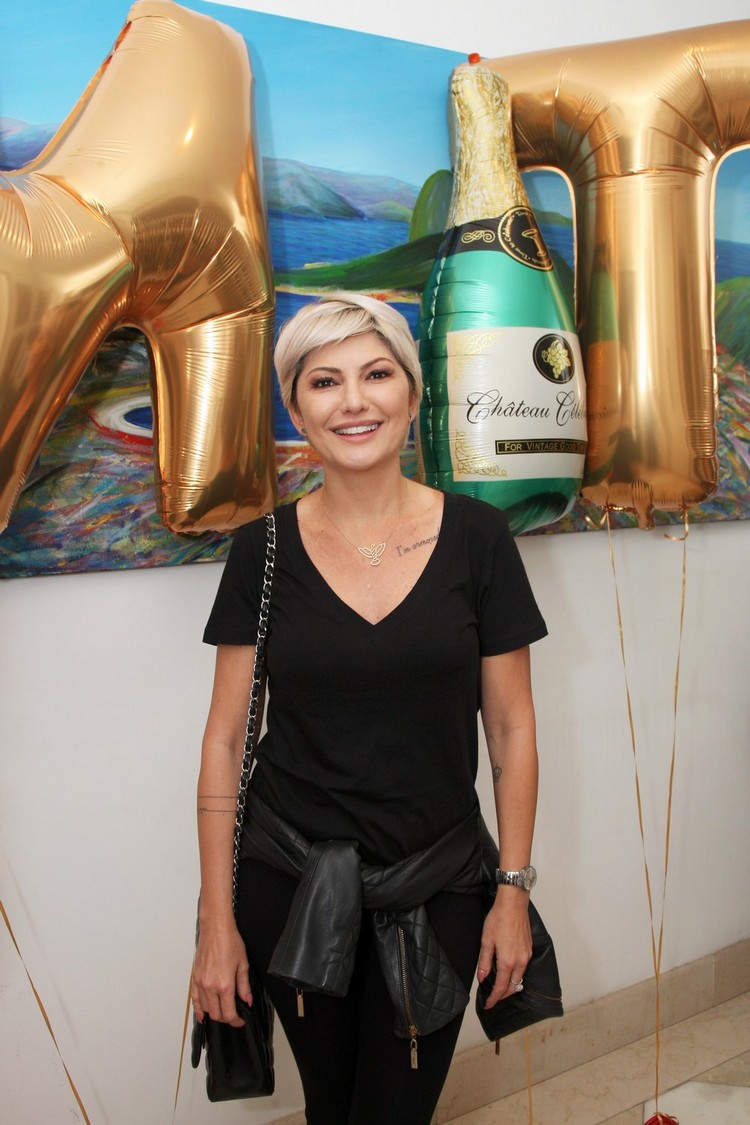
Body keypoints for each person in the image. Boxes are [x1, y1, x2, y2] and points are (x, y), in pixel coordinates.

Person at [192, 291, 547, 1124]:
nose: (353, 400)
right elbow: (225, 741)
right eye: (325, 382)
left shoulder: (479, 538)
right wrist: (216, 921)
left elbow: (511, 730)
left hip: (442, 879)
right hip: (288, 883)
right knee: (332, 1104)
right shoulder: (261, 551)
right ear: (297, 411)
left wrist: (513, 890)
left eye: (377, 374)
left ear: (412, 395)